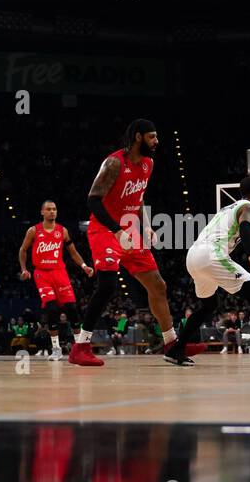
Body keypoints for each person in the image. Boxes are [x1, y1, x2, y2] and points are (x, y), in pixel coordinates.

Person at [69, 119, 205, 366]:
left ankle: (171, 343)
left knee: (158, 284)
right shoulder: (113, 163)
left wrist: (147, 225)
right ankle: (80, 346)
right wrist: (116, 229)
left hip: (130, 229)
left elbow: (138, 197)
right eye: (152, 137)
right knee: (108, 285)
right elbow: (93, 200)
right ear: (138, 137)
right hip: (105, 229)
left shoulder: (148, 164)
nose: (156, 142)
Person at [164, 175, 250, 366]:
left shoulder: (227, 208)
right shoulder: (248, 208)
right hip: (212, 254)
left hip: (193, 256)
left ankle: (176, 350)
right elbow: (245, 225)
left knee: (208, 306)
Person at [18, 200, 95, 361]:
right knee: (52, 310)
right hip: (42, 274)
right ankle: (56, 349)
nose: (52, 212)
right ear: (42, 212)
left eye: (54, 209)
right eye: (49, 209)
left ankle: (79, 349)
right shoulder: (34, 231)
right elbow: (23, 250)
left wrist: (84, 266)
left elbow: (73, 252)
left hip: (60, 273)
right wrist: (24, 269)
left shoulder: (63, 231)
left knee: (72, 310)